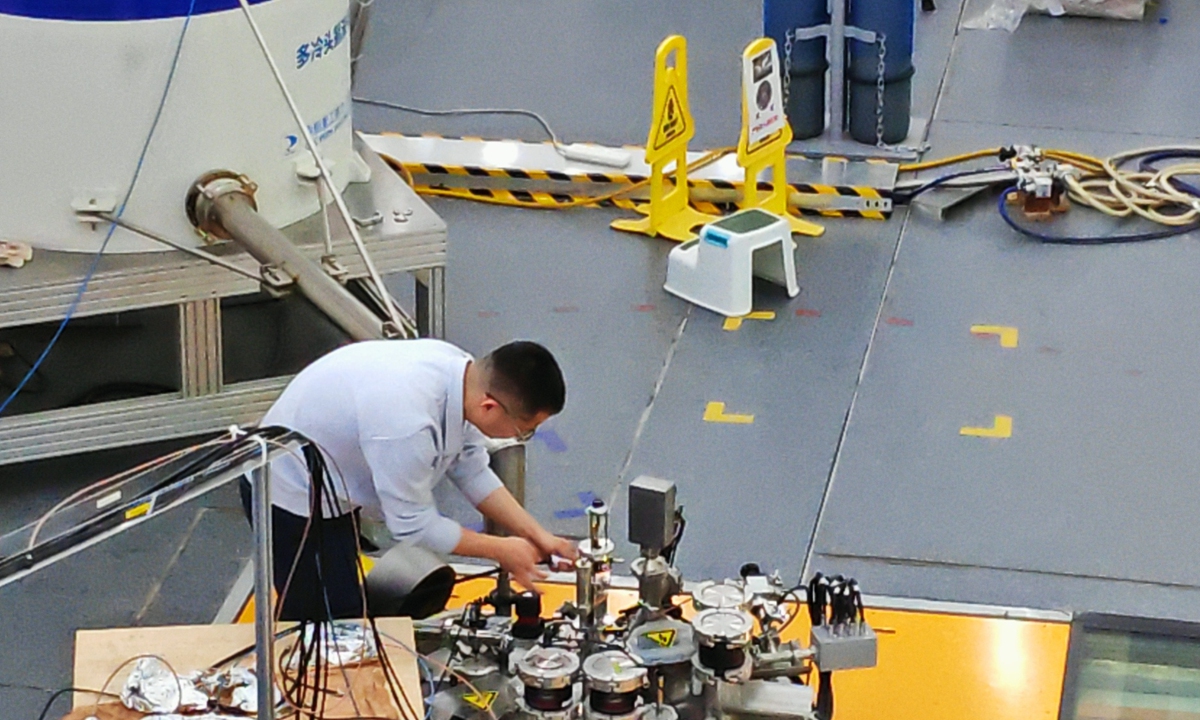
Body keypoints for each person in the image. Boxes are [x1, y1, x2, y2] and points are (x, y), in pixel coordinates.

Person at [242, 338, 577, 620]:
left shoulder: (460, 372)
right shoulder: (407, 423)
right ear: (489, 406)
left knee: (341, 600)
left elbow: (470, 467)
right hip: (288, 492)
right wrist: (501, 550)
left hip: (333, 482)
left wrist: (538, 535)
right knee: (326, 627)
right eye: (525, 431)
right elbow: (413, 526)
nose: (522, 437)